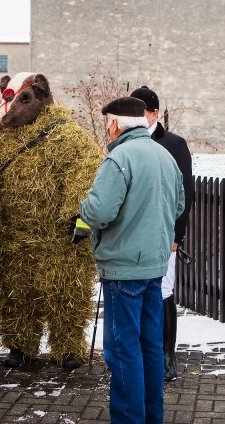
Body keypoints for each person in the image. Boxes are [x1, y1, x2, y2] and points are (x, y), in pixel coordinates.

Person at [79, 97, 184, 424]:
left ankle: (129, 419)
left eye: (107, 123)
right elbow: (179, 206)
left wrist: (83, 208)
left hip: (124, 267)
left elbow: (98, 212)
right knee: (150, 346)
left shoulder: (119, 158)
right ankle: (151, 417)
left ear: (115, 124)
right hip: (155, 265)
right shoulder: (165, 156)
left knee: (123, 350)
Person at [130, 86, 194, 382]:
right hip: (132, 234)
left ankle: (167, 357)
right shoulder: (124, 142)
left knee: (163, 291)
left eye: (139, 111)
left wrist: (176, 236)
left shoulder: (174, 144)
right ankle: (139, 354)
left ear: (154, 114)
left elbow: (185, 194)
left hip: (163, 234)